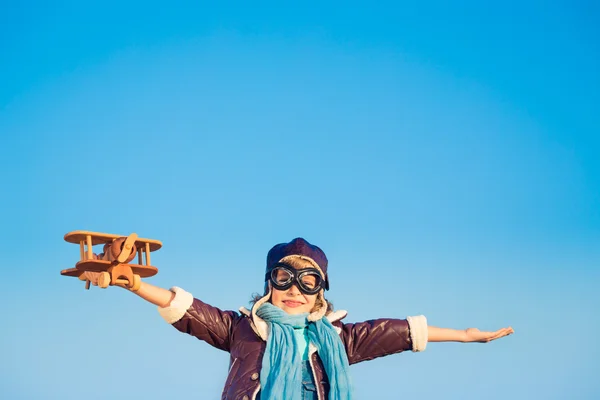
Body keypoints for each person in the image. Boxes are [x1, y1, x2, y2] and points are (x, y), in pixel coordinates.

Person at [85, 237, 514, 400]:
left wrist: (465, 335)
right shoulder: (244, 329)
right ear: (269, 284)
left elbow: (399, 332)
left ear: (321, 293)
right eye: (284, 278)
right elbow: (188, 309)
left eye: (308, 282)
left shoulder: (338, 338)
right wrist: (132, 284)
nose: (294, 290)